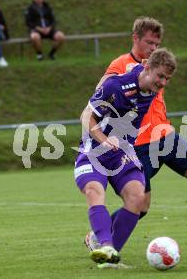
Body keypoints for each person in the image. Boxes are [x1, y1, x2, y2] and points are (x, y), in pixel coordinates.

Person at [85, 16, 187, 252]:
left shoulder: (158, 67)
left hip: (167, 136)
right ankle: (99, 236)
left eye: (157, 44)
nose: (153, 48)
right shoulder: (121, 65)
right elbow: (99, 96)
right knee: (141, 204)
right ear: (135, 38)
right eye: (149, 43)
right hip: (140, 144)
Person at [75, 48, 177, 265]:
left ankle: (110, 256)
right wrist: (104, 139)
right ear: (149, 69)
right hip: (94, 150)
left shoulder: (149, 84)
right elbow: (86, 116)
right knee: (95, 191)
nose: (163, 83)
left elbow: (138, 67)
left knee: (138, 197)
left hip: (122, 153)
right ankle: (104, 243)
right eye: (160, 76)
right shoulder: (116, 86)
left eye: (167, 79)